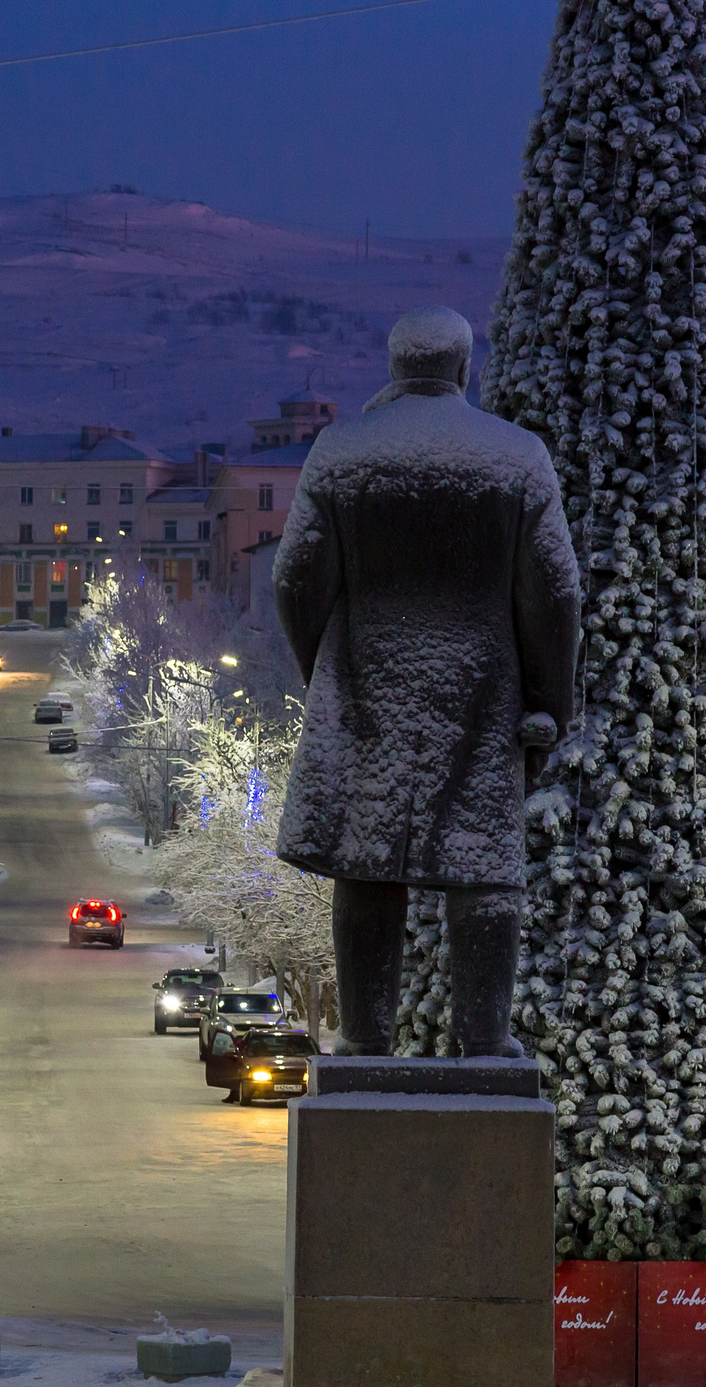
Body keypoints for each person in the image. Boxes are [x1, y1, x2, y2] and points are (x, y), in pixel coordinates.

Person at [270, 306, 583, 1057]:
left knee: (367, 865)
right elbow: (558, 590)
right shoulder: (516, 457)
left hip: (366, 691)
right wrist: (548, 699)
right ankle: (483, 1039)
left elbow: (294, 578)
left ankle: (367, 1037)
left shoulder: (341, 454)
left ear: (395, 367)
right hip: (481, 694)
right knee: (483, 871)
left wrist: (328, 670)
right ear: (461, 369)